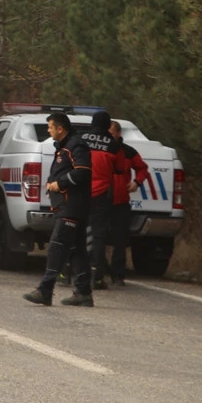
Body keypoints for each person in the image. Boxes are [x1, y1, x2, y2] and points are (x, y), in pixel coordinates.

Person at [24, 113, 95, 307]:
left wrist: (59, 184)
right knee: (77, 249)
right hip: (66, 205)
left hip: (72, 206)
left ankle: (45, 290)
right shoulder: (63, 147)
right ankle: (83, 292)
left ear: (60, 129)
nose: (48, 131)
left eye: (50, 127)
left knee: (56, 246)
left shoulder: (76, 145)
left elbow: (83, 171)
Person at [80, 111, 127, 290]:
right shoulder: (114, 145)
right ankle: (97, 276)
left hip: (81, 191)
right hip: (101, 194)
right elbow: (120, 169)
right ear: (108, 125)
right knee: (98, 235)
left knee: (77, 230)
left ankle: (69, 271)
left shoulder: (82, 138)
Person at [109, 120, 148, 287]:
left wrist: (137, 183)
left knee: (120, 240)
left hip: (121, 202)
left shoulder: (128, 152)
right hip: (100, 201)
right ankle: (97, 271)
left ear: (118, 134)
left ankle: (118, 275)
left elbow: (142, 168)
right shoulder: (98, 150)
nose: (109, 137)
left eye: (111, 134)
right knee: (96, 238)